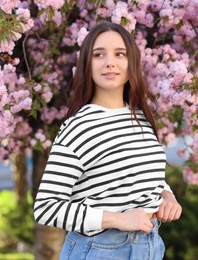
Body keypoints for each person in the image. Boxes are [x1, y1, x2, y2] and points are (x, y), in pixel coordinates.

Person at [33, 21, 182, 260]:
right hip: (100, 249)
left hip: (149, 245)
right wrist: (118, 218)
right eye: (99, 54)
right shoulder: (80, 127)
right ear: (87, 65)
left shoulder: (140, 118)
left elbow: (142, 175)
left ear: (131, 62)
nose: (110, 62)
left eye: (119, 54)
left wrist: (167, 197)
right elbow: (46, 207)